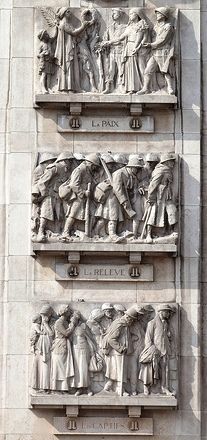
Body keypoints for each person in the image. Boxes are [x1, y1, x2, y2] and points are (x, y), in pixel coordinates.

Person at [102, 8, 149, 94]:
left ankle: (134, 88)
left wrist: (137, 47)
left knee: (130, 68)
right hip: (127, 48)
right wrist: (109, 42)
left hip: (133, 48)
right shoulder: (129, 27)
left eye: (132, 14)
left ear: (137, 14)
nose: (130, 16)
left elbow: (141, 39)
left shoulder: (140, 25)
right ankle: (124, 87)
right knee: (124, 68)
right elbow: (121, 37)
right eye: (130, 14)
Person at [35, 152, 75, 241]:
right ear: (65, 160)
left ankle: (57, 233)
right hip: (49, 195)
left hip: (58, 196)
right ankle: (40, 232)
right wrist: (44, 194)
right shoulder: (55, 167)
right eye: (70, 161)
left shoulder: (66, 171)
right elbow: (42, 182)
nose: (71, 163)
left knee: (59, 215)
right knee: (46, 214)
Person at [60, 153, 101, 239]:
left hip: (86, 198)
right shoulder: (79, 170)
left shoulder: (88, 171)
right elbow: (74, 185)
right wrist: (84, 193)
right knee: (73, 214)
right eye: (94, 166)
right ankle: (65, 232)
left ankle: (89, 233)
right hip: (77, 197)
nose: (95, 168)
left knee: (93, 213)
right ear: (90, 163)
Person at [139, 304, 176, 395]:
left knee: (165, 370)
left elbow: (167, 336)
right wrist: (152, 349)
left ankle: (164, 388)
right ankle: (146, 387)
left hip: (164, 350)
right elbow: (148, 338)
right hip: (154, 351)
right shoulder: (152, 323)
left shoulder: (166, 323)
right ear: (161, 312)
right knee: (150, 370)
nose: (168, 314)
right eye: (167, 312)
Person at [137, 7, 175, 95]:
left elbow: (162, 40)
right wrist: (145, 32)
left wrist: (150, 45)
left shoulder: (168, 27)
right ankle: (146, 88)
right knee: (147, 71)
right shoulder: (156, 27)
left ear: (163, 15)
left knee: (165, 70)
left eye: (159, 14)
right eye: (157, 14)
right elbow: (152, 38)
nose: (157, 15)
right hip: (154, 53)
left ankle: (170, 87)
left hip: (163, 52)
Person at [54, 7, 93, 92]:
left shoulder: (66, 23)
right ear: (63, 14)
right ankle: (67, 87)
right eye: (68, 12)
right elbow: (74, 32)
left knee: (71, 67)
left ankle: (72, 87)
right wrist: (83, 26)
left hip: (70, 48)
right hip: (67, 50)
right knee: (68, 67)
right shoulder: (64, 24)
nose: (70, 13)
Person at [102, 306, 139, 395]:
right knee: (120, 371)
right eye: (132, 319)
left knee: (120, 370)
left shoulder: (124, 324)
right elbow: (111, 339)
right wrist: (121, 348)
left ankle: (110, 385)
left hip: (121, 352)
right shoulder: (120, 324)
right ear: (128, 318)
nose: (132, 322)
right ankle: (120, 390)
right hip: (117, 352)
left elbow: (124, 336)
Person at [144, 153, 177, 243]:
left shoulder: (166, 170)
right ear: (166, 162)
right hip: (159, 195)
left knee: (171, 211)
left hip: (166, 194)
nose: (173, 164)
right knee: (153, 214)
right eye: (171, 162)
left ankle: (169, 231)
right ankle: (148, 234)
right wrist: (151, 198)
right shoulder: (161, 170)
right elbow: (153, 184)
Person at [111, 156, 144, 239]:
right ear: (132, 167)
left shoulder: (132, 175)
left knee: (124, 216)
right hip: (113, 198)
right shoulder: (120, 173)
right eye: (137, 169)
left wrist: (140, 187)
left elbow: (136, 184)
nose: (138, 171)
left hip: (125, 199)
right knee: (114, 216)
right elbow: (117, 189)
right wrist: (124, 201)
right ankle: (112, 234)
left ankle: (124, 233)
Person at [50, 305, 79, 391]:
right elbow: (66, 333)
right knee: (60, 367)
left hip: (65, 344)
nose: (70, 313)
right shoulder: (59, 322)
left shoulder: (65, 322)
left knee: (64, 367)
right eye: (69, 311)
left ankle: (64, 388)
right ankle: (56, 388)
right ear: (65, 312)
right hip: (60, 345)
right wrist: (73, 324)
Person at [31, 153, 57, 238]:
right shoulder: (39, 170)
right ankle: (39, 230)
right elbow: (38, 184)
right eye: (51, 161)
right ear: (45, 161)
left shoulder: (47, 170)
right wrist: (45, 193)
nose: (52, 163)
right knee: (39, 213)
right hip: (38, 195)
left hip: (46, 193)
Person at [101, 8, 126, 94]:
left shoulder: (124, 27)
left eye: (114, 13)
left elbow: (122, 40)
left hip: (120, 51)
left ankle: (121, 87)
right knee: (110, 70)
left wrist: (110, 42)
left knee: (121, 69)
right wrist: (104, 43)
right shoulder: (110, 27)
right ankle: (108, 87)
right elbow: (106, 38)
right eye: (112, 13)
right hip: (111, 51)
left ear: (119, 14)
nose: (112, 15)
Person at [71, 313, 96, 396]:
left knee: (84, 369)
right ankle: (79, 388)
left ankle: (88, 388)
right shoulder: (71, 327)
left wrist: (92, 350)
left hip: (83, 349)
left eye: (74, 318)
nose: (73, 319)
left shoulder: (83, 326)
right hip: (75, 350)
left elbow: (89, 338)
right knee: (77, 369)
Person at [31, 305, 55, 392]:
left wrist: (45, 324)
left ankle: (47, 387)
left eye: (45, 315)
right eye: (42, 315)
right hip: (40, 348)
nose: (43, 317)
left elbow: (52, 334)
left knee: (47, 367)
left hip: (48, 347)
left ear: (49, 315)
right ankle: (39, 386)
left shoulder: (52, 322)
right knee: (39, 367)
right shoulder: (39, 323)